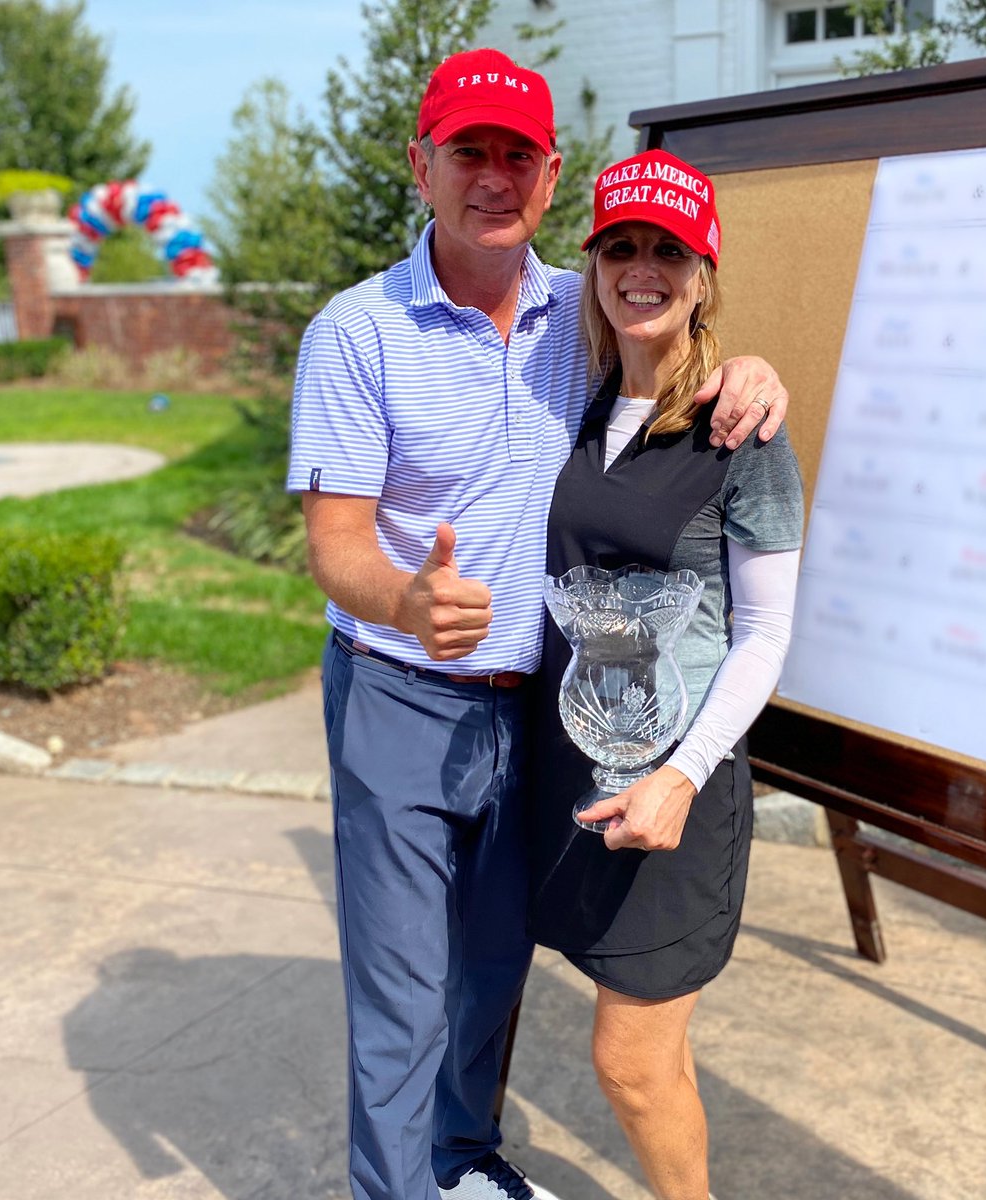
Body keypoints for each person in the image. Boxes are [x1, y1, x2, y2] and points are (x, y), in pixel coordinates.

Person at [287, 48, 789, 1200]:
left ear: (553, 176)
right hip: (400, 693)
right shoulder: (357, 333)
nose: (493, 177)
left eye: (518, 155)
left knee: (489, 971)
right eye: (468, 150)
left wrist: (757, 371)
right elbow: (337, 542)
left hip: (538, 713)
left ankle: (461, 1161)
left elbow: (683, 342)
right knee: (403, 990)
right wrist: (403, 600)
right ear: (421, 164)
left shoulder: (590, 307)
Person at [528, 149, 804, 1200]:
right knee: (656, 1051)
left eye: (668, 253)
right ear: (594, 265)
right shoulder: (582, 400)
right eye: (621, 248)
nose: (642, 271)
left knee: (629, 1064)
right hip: (577, 772)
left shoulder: (743, 432)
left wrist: (681, 777)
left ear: (703, 277)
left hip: (678, 787)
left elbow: (764, 634)